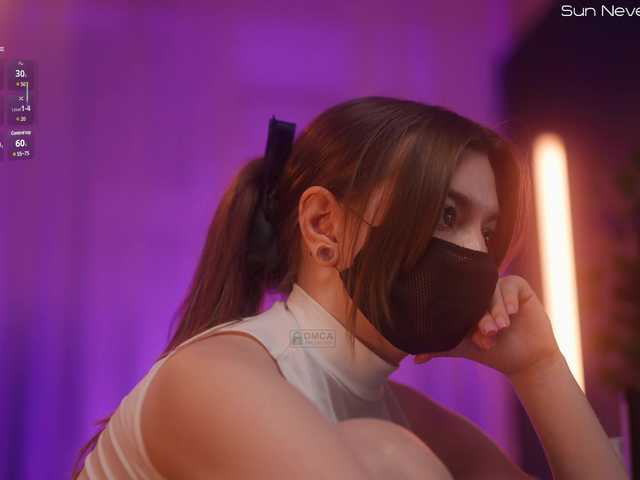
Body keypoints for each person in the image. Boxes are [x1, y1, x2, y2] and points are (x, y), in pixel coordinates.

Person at [72, 96, 628, 479]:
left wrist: (539, 367)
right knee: (388, 458)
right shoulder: (213, 378)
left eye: (486, 231)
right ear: (323, 227)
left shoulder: (404, 415)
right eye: (446, 214)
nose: (479, 256)